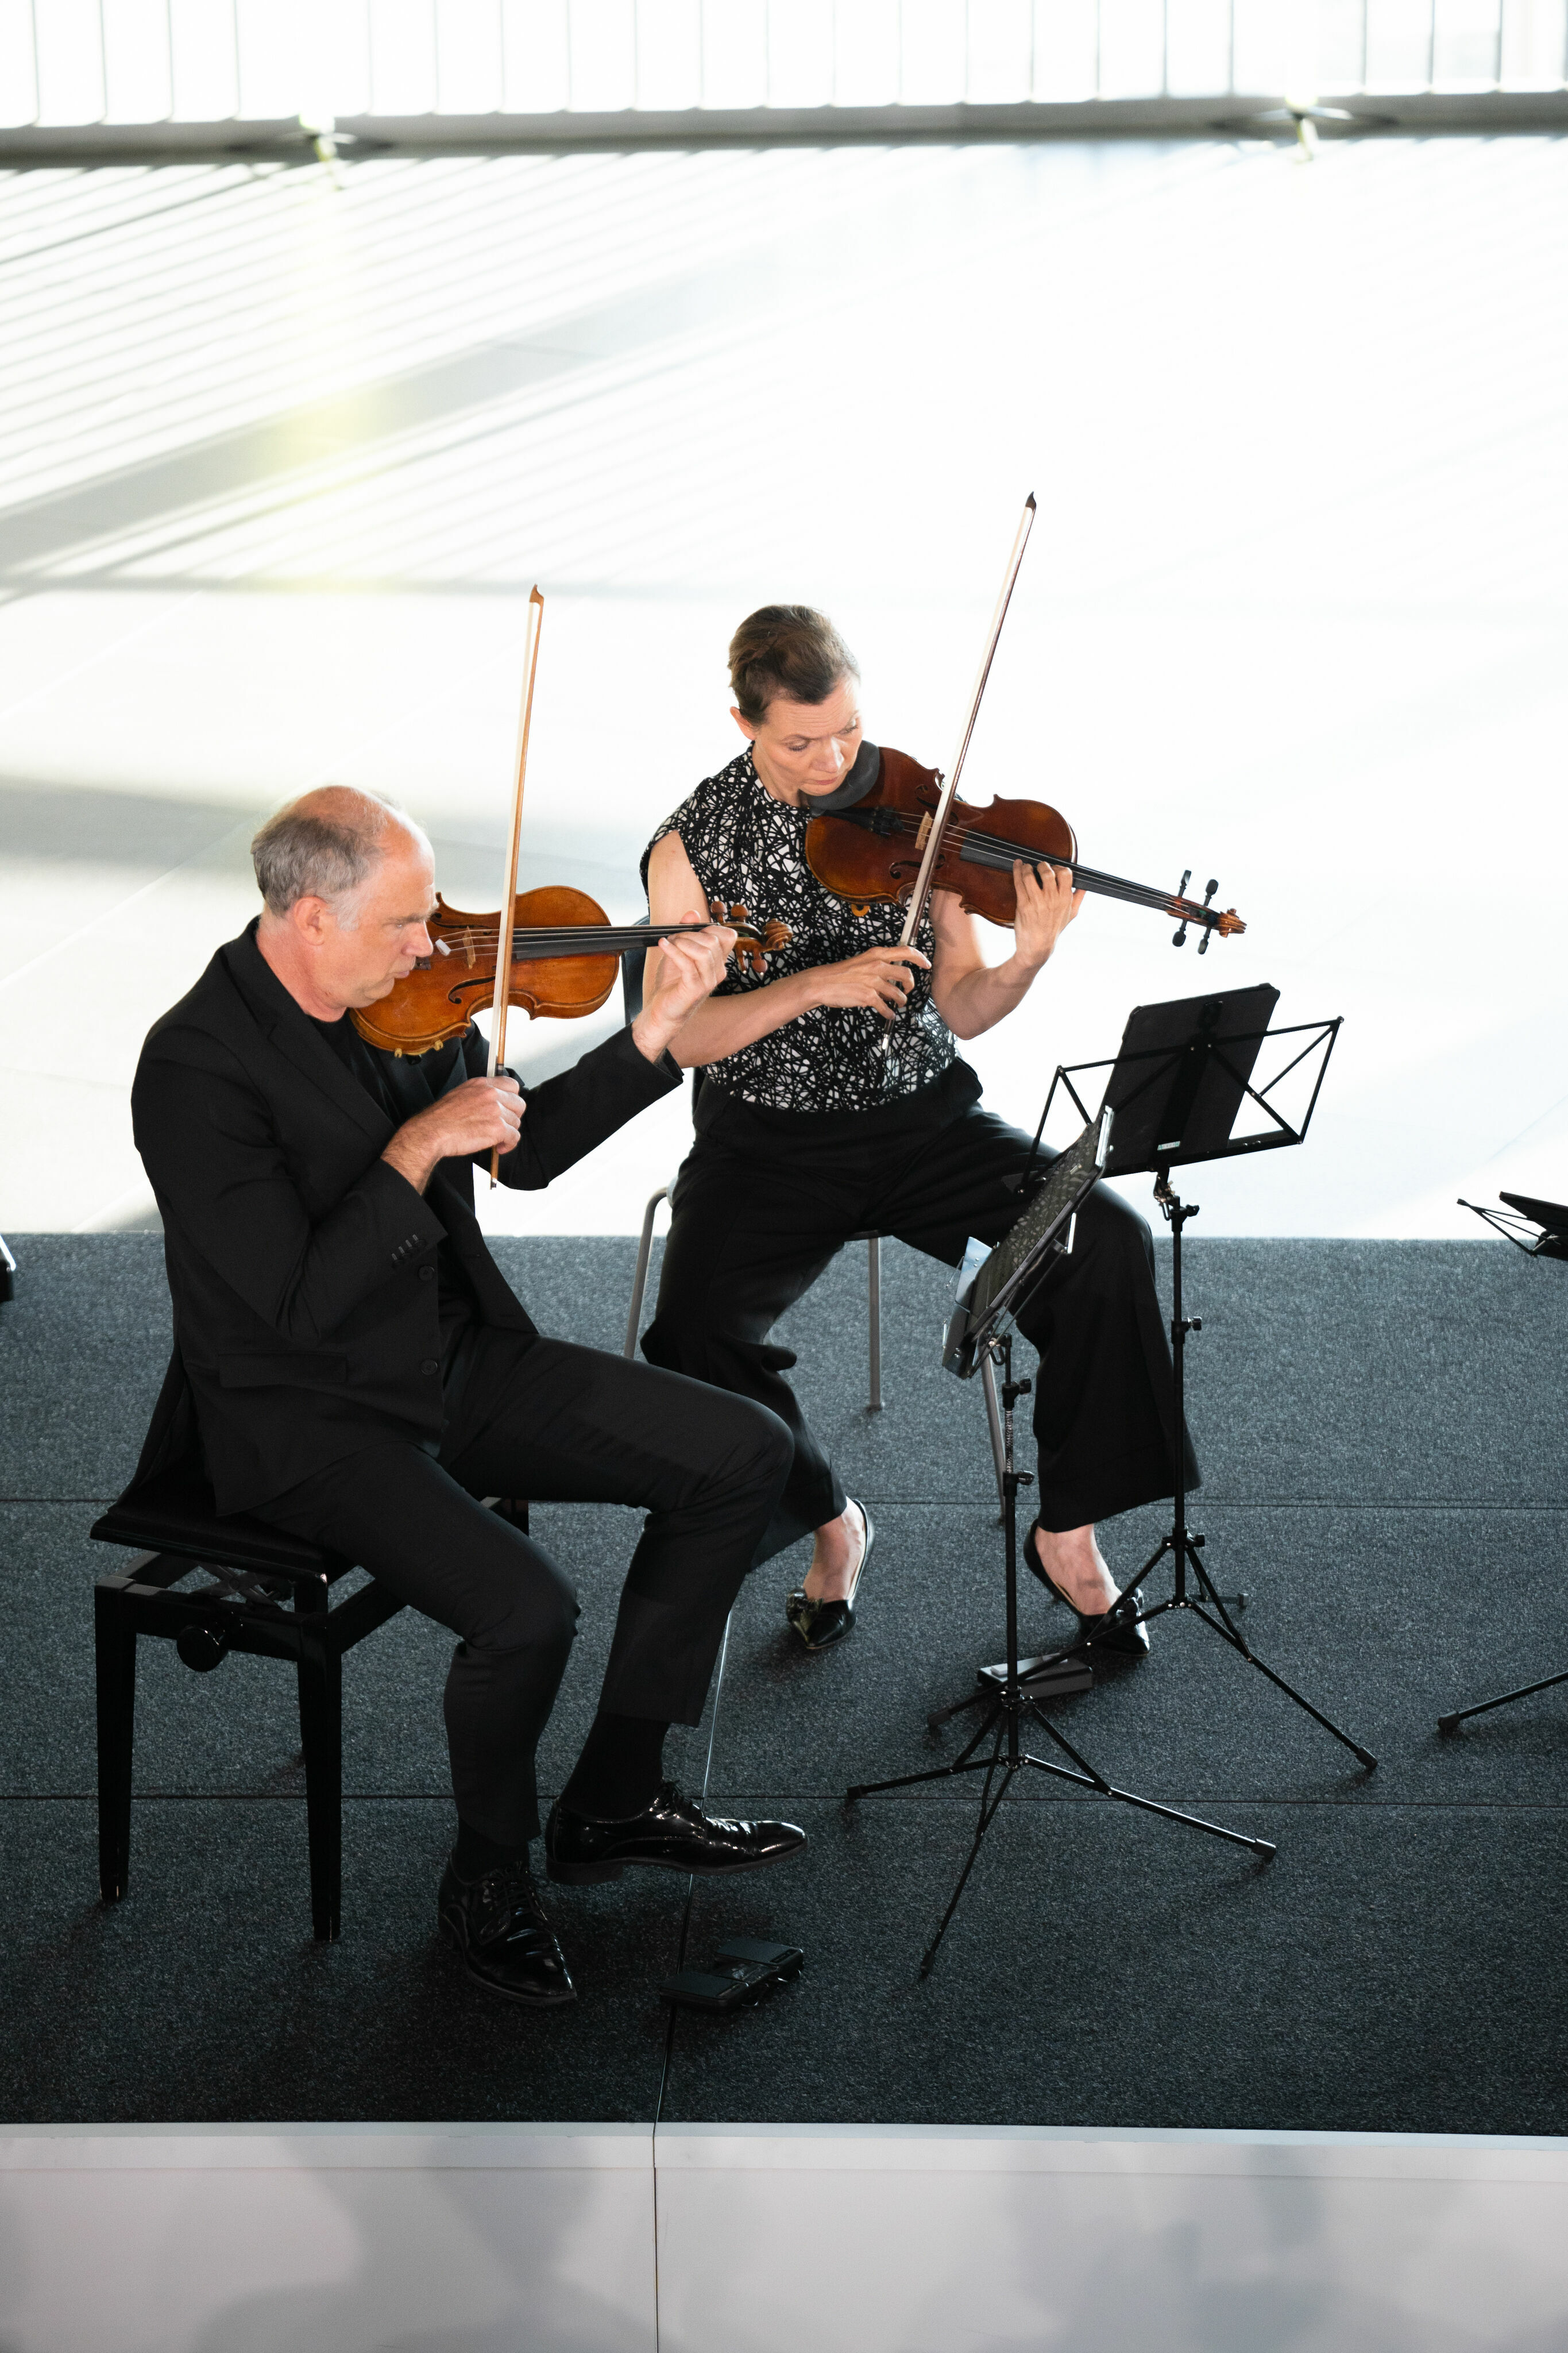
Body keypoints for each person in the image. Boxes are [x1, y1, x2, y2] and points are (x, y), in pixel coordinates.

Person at [127, 787, 802, 2012]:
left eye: (433, 913)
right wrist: (411, 1149)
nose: (435, 944)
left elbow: (523, 1150)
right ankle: (486, 1880)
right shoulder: (193, 1068)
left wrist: (653, 1032)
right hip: (307, 1415)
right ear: (312, 915)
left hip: (450, 1357)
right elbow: (288, 1304)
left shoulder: (399, 1001)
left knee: (743, 1454)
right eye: (405, 920)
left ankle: (613, 1797)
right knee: (527, 1610)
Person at [640, 605, 1198, 1655]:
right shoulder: (691, 848)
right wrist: (815, 987)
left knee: (1108, 1242)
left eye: (847, 729)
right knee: (691, 1339)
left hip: (925, 1122)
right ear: (741, 721)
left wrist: (1026, 956)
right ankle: (830, 1521)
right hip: (768, 1140)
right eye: (800, 743)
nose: (835, 760)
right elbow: (679, 1037)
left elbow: (966, 1004)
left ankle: (1067, 1530)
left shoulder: (908, 805)